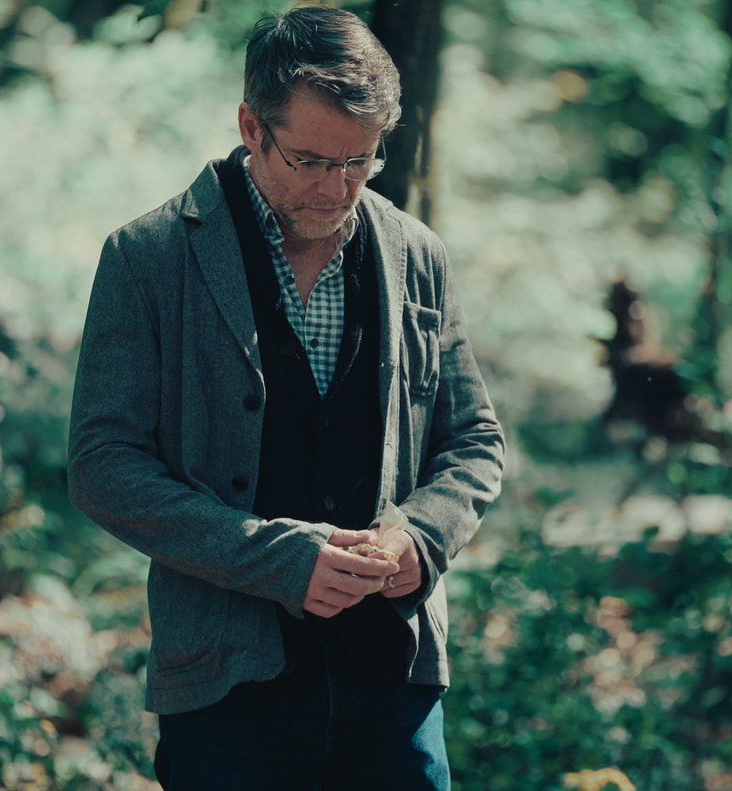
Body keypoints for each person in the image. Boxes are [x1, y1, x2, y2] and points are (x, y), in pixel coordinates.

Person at [66, 6, 505, 788]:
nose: (337, 188)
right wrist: (273, 557)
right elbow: (103, 465)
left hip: (392, 677)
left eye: (360, 160)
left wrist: (423, 537)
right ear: (250, 125)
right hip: (224, 686)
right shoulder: (147, 258)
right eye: (309, 160)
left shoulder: (419, 256)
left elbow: (474, 440)